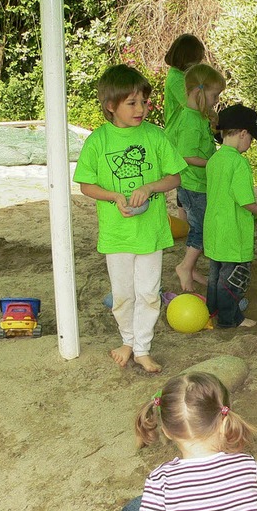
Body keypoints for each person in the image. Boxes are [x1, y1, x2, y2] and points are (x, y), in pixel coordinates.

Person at [69, 372, 257, 511]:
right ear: (224, 422)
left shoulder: (162, 480)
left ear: (167, 431)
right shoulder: (247, 464)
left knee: (133, 509)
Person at [73, 64, 186, 373]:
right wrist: (114, 196)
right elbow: (85, 185)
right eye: (132, 103)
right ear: (112, 106)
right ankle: (126, 341)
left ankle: (142, 348)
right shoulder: (98, 141)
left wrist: (150, 187)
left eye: (144, 101)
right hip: (116, 234)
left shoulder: (155, 136)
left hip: (151, 232)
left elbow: (174, 177)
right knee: (123, 295)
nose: (141, 108)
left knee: (149, 293)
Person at [204, 104, 257, 328]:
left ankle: (211, 311)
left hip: (214, 230)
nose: (250, 144)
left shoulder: (215, 159)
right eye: (251, 139)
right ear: (243, 133)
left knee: (214, 275)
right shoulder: (238, 163)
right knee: (233, 280)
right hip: (233, 233)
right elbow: (244, 200)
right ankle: (230, 319)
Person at [165, 63, 226, 292]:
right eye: (214, 95)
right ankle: (185, 266)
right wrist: (214, 163)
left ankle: (191, 268)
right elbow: (187, 155)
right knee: (202, 229)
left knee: (200, 227)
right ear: (199, 93)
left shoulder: (197, 116)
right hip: (193, 185)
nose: (216, 99)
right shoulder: (190, 121)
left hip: (199, 184)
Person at [163, 33, 206, 223]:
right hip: (178, 133)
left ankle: (184, 221)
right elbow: (191, 102)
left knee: (184, 179)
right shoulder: (175, 77)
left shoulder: (182, 75)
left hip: (185, 130)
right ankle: (187, 221)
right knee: (184, 179)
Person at [163, 33, 206, 127]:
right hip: (177, 132)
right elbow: (192, 105)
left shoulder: (184, 75)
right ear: (188, 58)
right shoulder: (176, 78)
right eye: (197, 60)